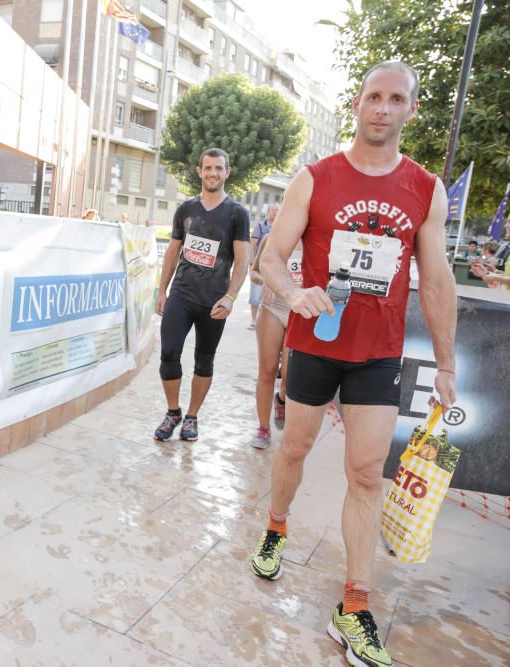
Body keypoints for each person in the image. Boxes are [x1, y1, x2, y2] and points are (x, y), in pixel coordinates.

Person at [248, 62, 457, 667]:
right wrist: (291, 294)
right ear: (358, 104)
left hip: (377, 355)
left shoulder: (426, 189)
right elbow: (271, 256)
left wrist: (446, 363)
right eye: (374, 97)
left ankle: (355, 603)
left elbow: (437, 279)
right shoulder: (314, 179)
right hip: (315, 345)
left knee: (367, 475)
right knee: (294, 451)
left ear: (410, 111)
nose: (383, 109)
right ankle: (277, 525)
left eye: (397, 99)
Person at [153, 147, 250, 442]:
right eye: (208, 168)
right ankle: (173, 413)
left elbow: (243, 260)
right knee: (169, 352)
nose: (213, 173)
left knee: (204, 361)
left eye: (219, 168)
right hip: (182, 294)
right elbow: (173, 251)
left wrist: (231, 297)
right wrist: (162, 290)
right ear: (199, 171)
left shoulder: (237, 213)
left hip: (214, 301)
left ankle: (192, 418)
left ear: (227, 172)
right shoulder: (186, 209)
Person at [246, 229, 301, 448]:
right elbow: (255, 273)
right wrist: (267, 281)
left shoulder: (318, 239)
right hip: (273, 307)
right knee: (267, 370)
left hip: (300, 311)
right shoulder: (273, 237)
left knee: (289, 378)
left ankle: (282, 399)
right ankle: (263, 428)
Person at [248, 202, 280, 330]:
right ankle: (253, 321)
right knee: (255, 296)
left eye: (278, 210)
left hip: (275, 267)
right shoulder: (260, 227)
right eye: (273, 210)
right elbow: (251, 245)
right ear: (268, 211)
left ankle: (265, 323)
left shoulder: (282, 227)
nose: (276, 212)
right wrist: (251, 263)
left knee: (271, 298)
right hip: (259, 266)